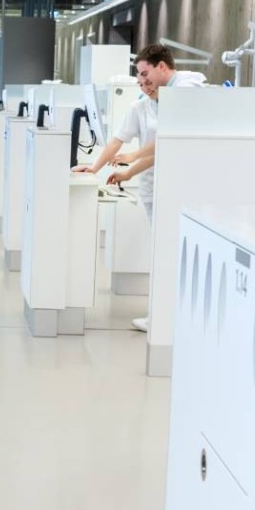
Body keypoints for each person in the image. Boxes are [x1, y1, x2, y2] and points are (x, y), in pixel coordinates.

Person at [74, 44, 174, 332]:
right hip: (154, 188)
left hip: (178, 187)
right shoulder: (140, 107)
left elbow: (169, 143)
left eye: (146, 76)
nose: (143, 84)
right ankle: (160, 317)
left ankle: (164, 318)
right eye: (139, 79)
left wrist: (132, 159)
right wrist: (97, 168)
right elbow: (117, 142)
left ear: (163, 67)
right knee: (161, 253)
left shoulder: (184, 96)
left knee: (168, 254)